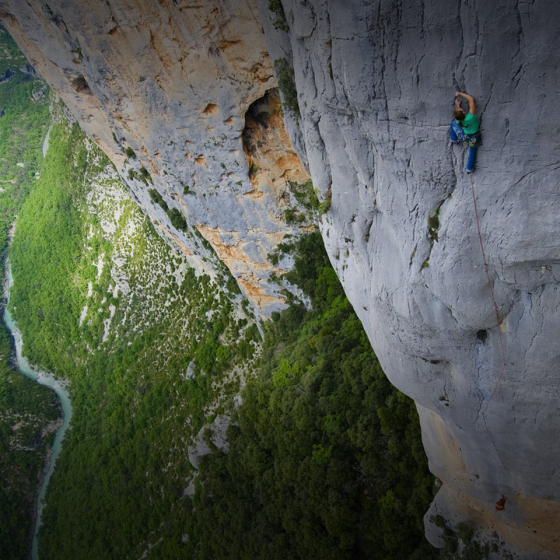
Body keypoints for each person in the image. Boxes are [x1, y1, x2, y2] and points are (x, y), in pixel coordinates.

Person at [450, 91, 482, 174]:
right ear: (464, 113)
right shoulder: (470, 117)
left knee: (452, 123)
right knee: (472, 152)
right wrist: (460, 94)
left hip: (464, 137)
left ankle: (453, 139)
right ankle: (469, 168)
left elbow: (459, 116)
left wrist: (458, 106)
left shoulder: (458, 121)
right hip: (473, 138)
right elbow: (471, 100)